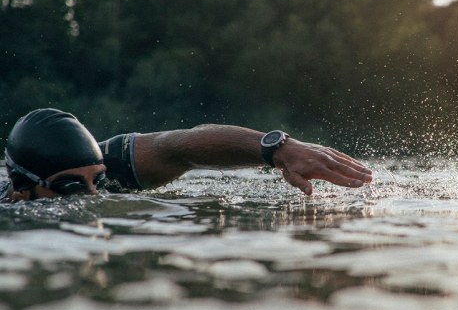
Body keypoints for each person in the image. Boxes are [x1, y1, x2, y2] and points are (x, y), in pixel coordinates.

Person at [0, 109, 373, 202]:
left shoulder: (108, 166)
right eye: (71, 187)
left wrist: (278, 148)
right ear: (20, 191)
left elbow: (179, 145)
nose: (95, 196)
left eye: (97, 180)